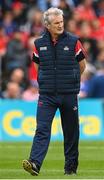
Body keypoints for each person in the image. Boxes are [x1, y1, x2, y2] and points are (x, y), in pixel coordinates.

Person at [22, 7, 86, 176]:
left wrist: (71, 80)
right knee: (42, 129)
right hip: (47, 95)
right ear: (47, 25)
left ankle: (70, 168)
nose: (60, 25)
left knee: (71, 131)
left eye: (61, 22)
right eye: (56, 23)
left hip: (68, 94)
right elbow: (37, 68)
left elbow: (82, 65)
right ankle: (34, 163)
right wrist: (47, 81)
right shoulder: (39, 43)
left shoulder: (74, 41)